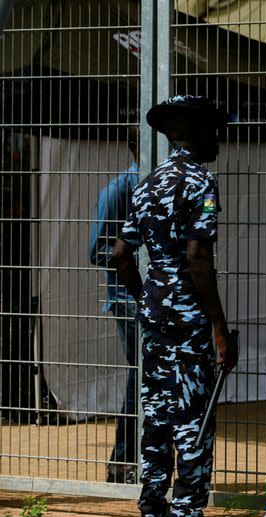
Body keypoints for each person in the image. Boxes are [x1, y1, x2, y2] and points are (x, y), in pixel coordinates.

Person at [112, 95, 237, 517]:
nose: (218, 140)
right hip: (189, 323)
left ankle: (151, 512)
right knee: (193, 416)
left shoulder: (145, 185)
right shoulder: (201, 183)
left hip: (156, 321)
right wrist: (220, 329)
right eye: (214, 131)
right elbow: (199, 258)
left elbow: (121, 255)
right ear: (196, 133)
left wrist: (147, 297)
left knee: (158, 412)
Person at [89, 128, 140, 484]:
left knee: (147, 374)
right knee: (142, 373)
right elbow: (96, 250)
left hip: (154, 299)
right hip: (127, 300)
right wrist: (133, 263)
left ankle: (131, 460)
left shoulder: (159, 185)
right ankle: (122, 461)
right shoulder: (118, 191)